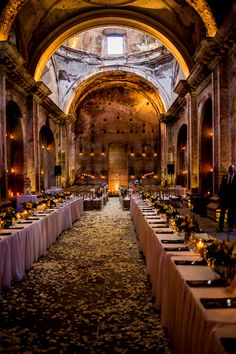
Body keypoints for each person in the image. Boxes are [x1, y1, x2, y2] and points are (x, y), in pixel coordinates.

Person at [218, 164, 236, 232]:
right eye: (230, 168)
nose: (231, 169)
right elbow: (221, 186)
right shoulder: (225, 177)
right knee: (222, 212)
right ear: (228, 170)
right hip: (224, 198)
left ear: (234, 170)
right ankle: (220, 227)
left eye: (232, 168)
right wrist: (219, 196)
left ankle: (230, 227)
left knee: (231, 213)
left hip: (232, 199)